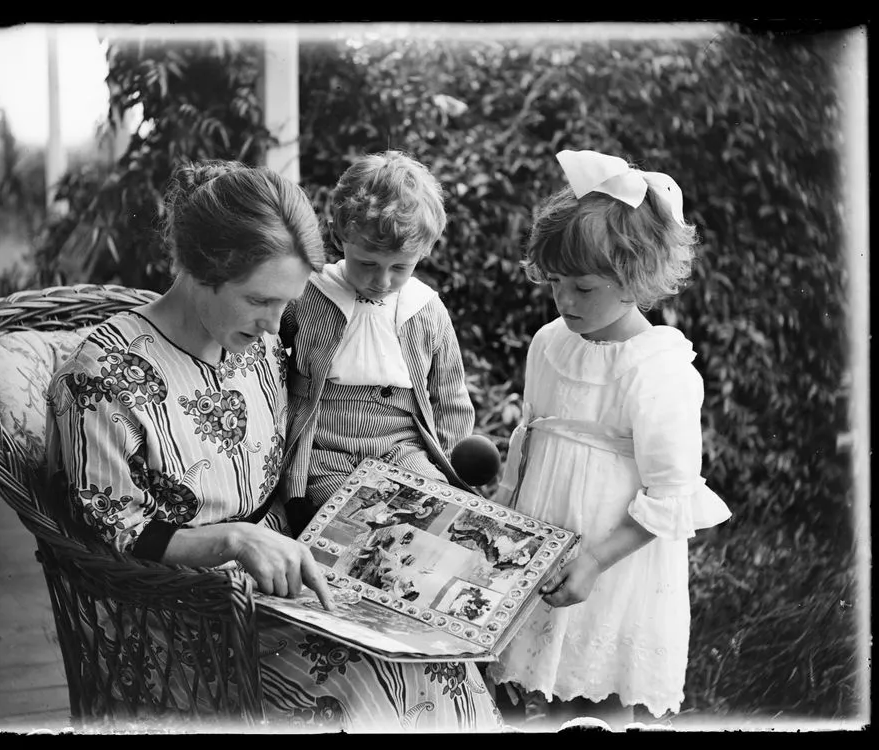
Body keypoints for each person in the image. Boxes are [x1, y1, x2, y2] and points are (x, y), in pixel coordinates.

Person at [45, 159, 503, 733]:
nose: (275, 324)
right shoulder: (102, 377)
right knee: (375, 697)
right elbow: (103, 533)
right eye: (261, 301)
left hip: (286, 590)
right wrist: (232, 541)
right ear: (196, 267)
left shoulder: (257, 346)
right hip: (180, 619)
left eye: (286, 303)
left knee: (440, 665)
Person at [484, 149, 732, 729]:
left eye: (583, 287)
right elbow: (532, 441)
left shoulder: (658, 369)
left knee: (592, 702)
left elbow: (671, 496)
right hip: (538, 546)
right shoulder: (550, 342)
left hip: (610, 561)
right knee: (520, 697)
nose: (564, 301)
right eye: (554, 284)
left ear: (635, 279)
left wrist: (595, 559)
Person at [280, 150, 476, 533]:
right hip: (326, 448)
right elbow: (268, 363)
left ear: (423, 253)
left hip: (400, 446)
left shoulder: (425, 310)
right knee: (349, 521)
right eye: (367, 263)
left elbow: (450, 396)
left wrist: (449, 467)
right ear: (341, 237)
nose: (382, 281)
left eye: (400, 267)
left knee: (431, 509)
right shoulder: (309, 295)